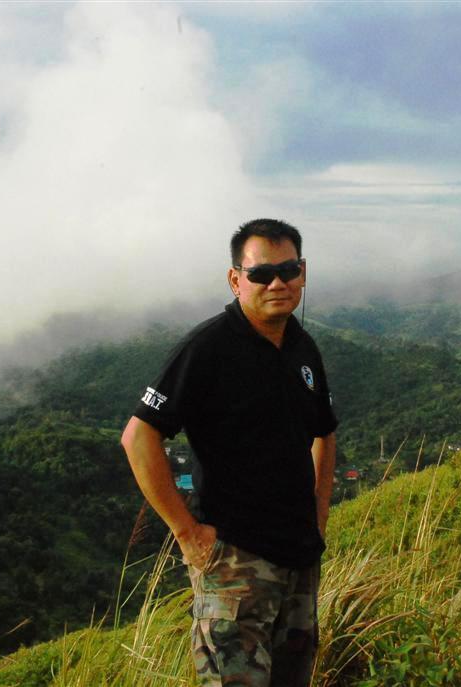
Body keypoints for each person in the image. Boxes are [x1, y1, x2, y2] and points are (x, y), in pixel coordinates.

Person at [121, 218, 338, 686]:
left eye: (288, 270)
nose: (277, 283)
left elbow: (324, 432)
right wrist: (187, 534)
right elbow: (139, 436)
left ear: (302, 272)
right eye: (261, 274)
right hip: (234, 562)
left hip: (300, 559)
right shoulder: (208, 348)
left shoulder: (302, 347)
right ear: (236, 280)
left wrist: (319, 515)